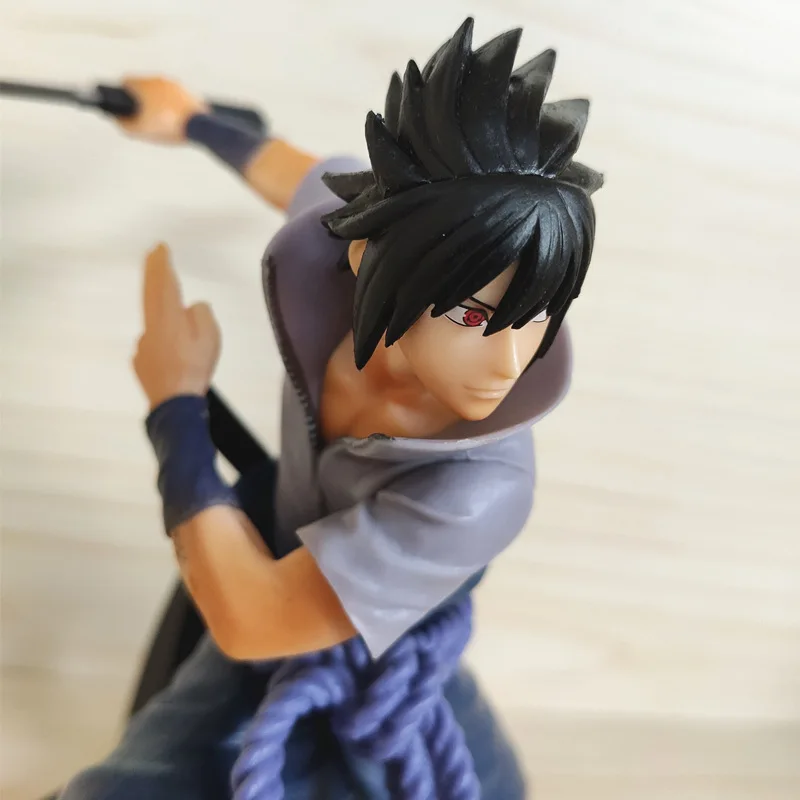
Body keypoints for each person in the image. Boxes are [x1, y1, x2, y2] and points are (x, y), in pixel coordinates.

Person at [59, 17, 603, 800]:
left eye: (539, 312)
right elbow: (303, 173)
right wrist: (191, 119)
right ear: (365, 253)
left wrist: (177, 407)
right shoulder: (366, 233)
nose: (511, 364)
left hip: (373, 654)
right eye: (473, 316)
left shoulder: (483, 487)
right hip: (268, 565)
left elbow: (256, 619)